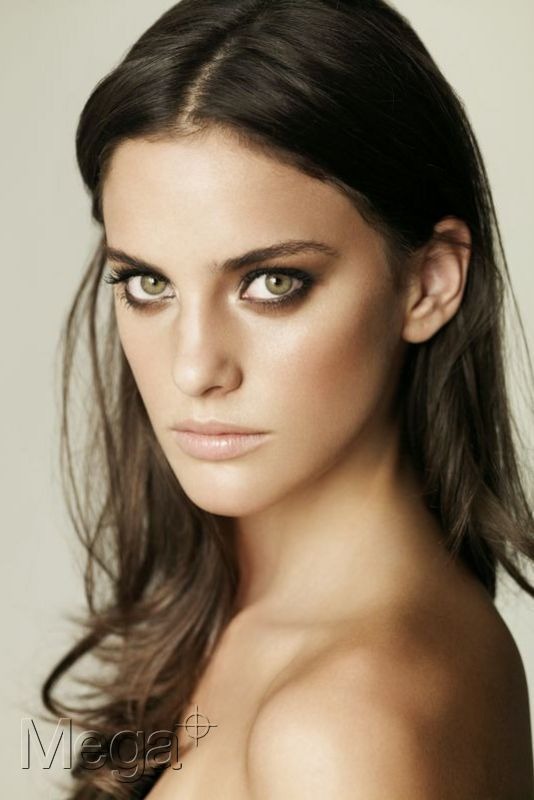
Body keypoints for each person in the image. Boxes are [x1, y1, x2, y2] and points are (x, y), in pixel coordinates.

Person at [41, 0, 534, 797]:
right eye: (148, 284)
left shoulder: (347, 723)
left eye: (272, 283)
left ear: (429, 283)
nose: (194, 368)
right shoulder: (247, 623)